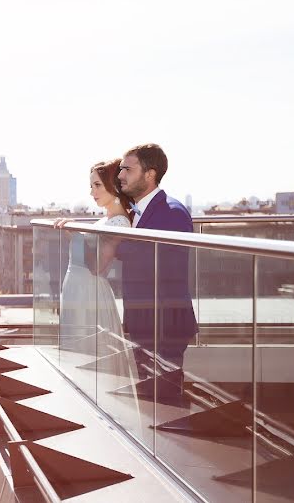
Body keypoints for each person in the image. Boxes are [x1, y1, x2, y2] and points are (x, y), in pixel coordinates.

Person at [116, 143, 197, 400]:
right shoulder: (139, 212)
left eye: (127, 169)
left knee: (166, 402)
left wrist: (113, 241)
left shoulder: (171, 213)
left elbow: (155, 264)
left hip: (165, 326)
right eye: (120, 169)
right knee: (151, 402)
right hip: (146, 323)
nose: (120, 175)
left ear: (150, 174)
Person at [54, 159, 134, 356]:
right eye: (91, 186)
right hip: (79, 291)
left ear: (114, 186)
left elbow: (97, 266)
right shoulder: (105, 220)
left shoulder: (120, 223)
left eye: (97, 185)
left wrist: (77, 234)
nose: (92, 192)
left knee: (88, 352)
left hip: (89, 293)